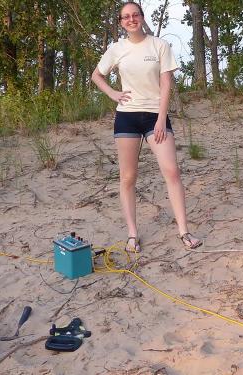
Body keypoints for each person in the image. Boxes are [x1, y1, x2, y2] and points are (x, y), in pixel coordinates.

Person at [91, 1, 202, 252]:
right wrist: (112, 93)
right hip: (127, 117)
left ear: (142, 17)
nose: (131, 20)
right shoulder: (116, 49)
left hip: (155, 116)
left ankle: (184, 232)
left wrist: (162, 118)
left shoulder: (159, 45)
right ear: (121, 22)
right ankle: (132, 234)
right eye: (125, 17)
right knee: (128, 177)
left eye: (135, 15)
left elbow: (166, 85)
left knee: (171, 171)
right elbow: (97, 75)